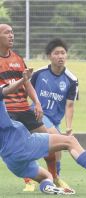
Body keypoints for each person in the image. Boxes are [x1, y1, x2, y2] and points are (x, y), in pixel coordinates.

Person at [0, 69, 86, 195]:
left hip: (10, 160)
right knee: (70, 141)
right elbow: (5, 91)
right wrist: (23, 79)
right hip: (20, 144)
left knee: (46, 176)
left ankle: (49, 187)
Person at [0, 23, 68, 191]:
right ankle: (29, 181)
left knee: (49, 142)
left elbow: (27, 83)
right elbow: (6, 90)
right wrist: (22, 81)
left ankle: (54, 177)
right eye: (7, 32)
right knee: (16, 149)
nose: (11, 35)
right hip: (7, 112)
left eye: (12, 32)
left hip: (24, 109)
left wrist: (37, 102)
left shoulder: (17, 58)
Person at [30, 38, 78, 182]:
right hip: (37, 115)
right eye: (56, 53)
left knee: (56, 149)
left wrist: (69, 127)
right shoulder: (38, 74)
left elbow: (69, 105)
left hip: (55, 119)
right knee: (54, 138)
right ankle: (51, 177)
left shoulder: (72, 80)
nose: (60, 56)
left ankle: (55, 177)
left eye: (63, 53)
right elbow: (27, 90)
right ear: (49, 55)